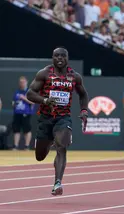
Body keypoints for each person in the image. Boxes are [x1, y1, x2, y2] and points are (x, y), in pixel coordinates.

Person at [26, 47, 89, 196]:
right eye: (56, 56)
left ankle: (57, 183)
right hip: (45, 118)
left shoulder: (74, 76)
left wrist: (84, 111)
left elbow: (83, 94)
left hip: (63, 117)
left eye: (63, 56)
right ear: (52, 58)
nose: (60, 58)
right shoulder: (44, 73)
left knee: (62, 147)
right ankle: (48, 142)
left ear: (67, 58)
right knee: (40, 156)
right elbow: (30, 93)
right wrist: (45, 100)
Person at [12, 76, 35, 150]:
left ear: (26, 82)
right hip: (17, 113)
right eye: (20, 82)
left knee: (27, 129)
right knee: (16, 130)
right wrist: (14, 104)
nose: (21, 83)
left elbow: (33, 102)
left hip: (26, 113)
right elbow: (14, 101)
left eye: (23, 82)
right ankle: (15, 145)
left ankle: (26, 146)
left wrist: (24, 98)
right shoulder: (17, 92)